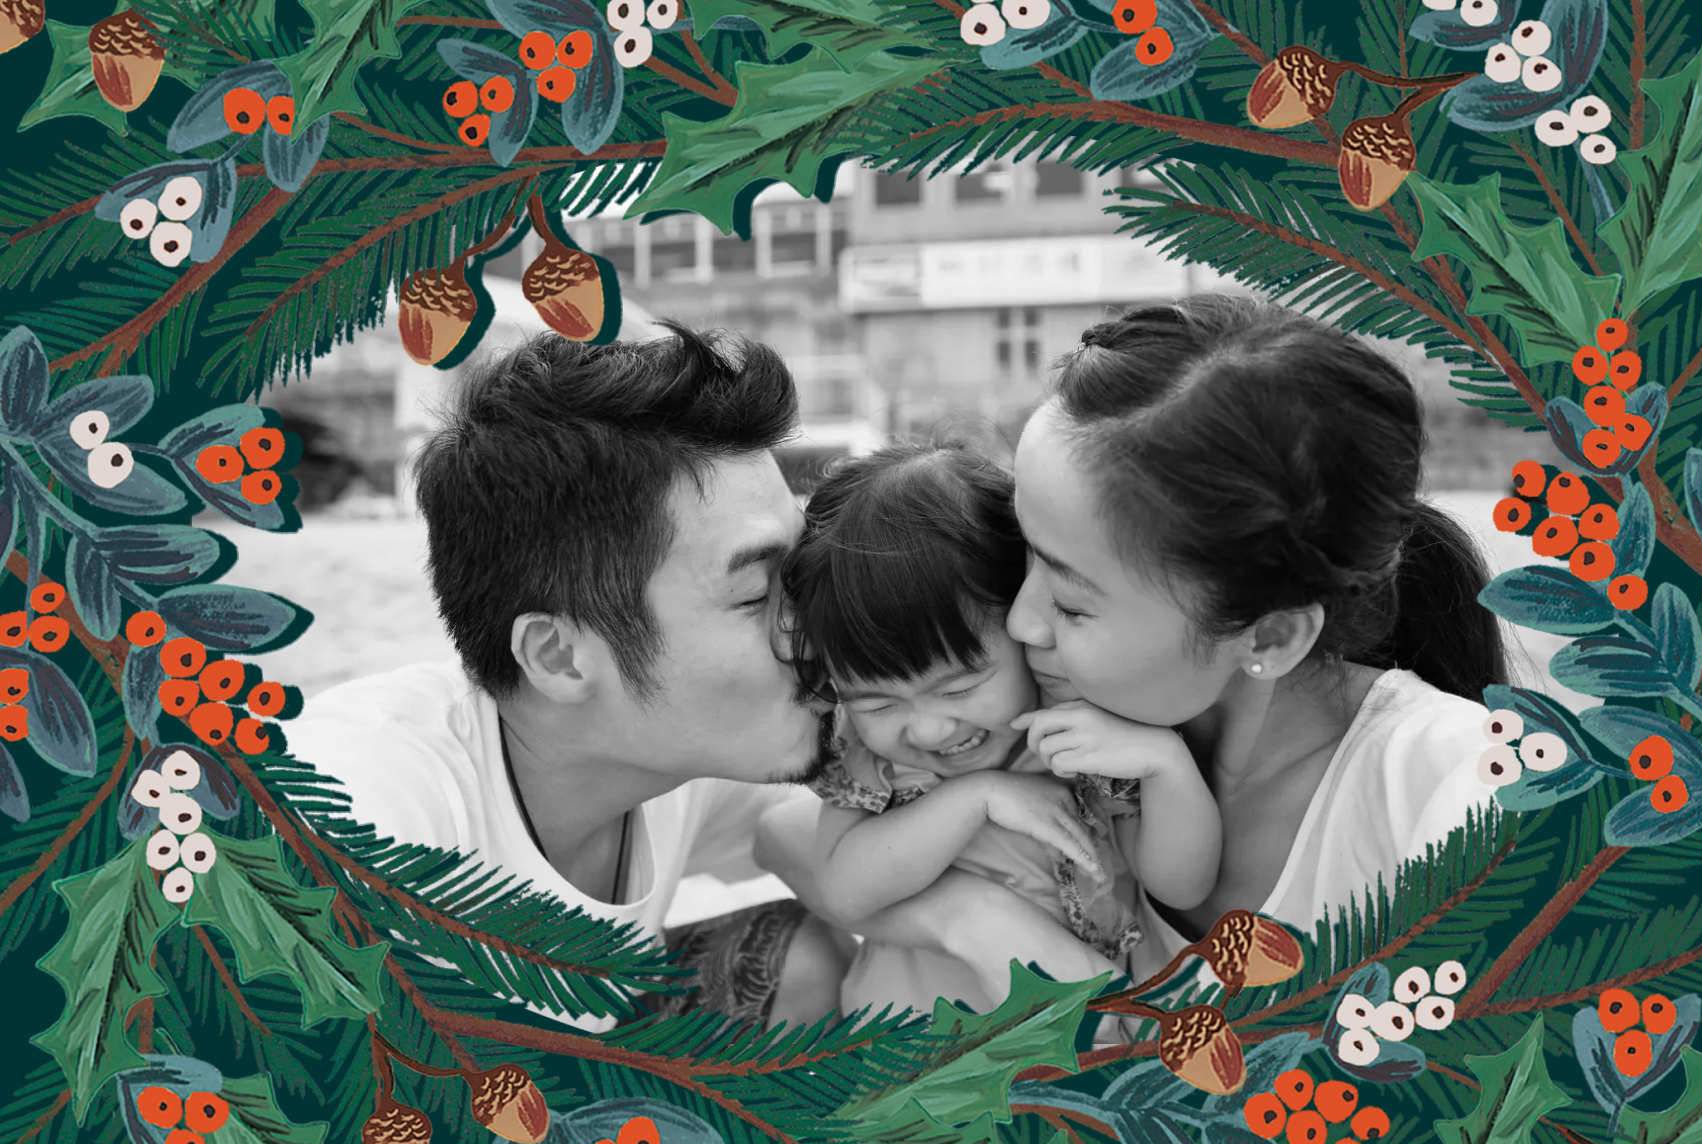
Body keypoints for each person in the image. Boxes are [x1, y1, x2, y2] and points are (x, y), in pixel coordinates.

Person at [282, 325, 1122, 1034]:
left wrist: (973, 917)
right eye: (760, 593)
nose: (817, 630)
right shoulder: (349, 818)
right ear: (562, 657)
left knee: (796, 954)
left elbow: (801, 842)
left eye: (806, 577)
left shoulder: (669, 753)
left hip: (574, 1053)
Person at [758, 292, 1507, 994]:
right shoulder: (1063, 710)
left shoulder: (1461, 789)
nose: (1020, 622)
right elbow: (790, 836)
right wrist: (979, 923)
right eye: (1024, 555)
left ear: (1271, 635)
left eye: (1073, 603)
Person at [779, 441, 1222, 1018]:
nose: (931, 729)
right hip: (909, 1047)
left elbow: (1180, 885)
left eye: (960, 688)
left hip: (1065, 1054)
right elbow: (844, 887)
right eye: (879, 702)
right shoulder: (874, 759)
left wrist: (1168, 766)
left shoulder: (1080, 741)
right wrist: (978, 797)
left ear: (1022, 620)